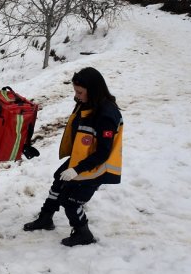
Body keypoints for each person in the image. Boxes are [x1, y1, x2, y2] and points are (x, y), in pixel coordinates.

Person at [23, 67, 123, 246]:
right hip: (82, 159)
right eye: (75, 91)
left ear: (93, 90)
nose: (76, 96)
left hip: (96, 167)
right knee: (59, 180)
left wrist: (77, 169)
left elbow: (103, 153)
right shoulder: (86, 104)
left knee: (71, 201)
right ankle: (46, 218)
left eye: (80, 92)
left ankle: (83, 233)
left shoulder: (106, 115)